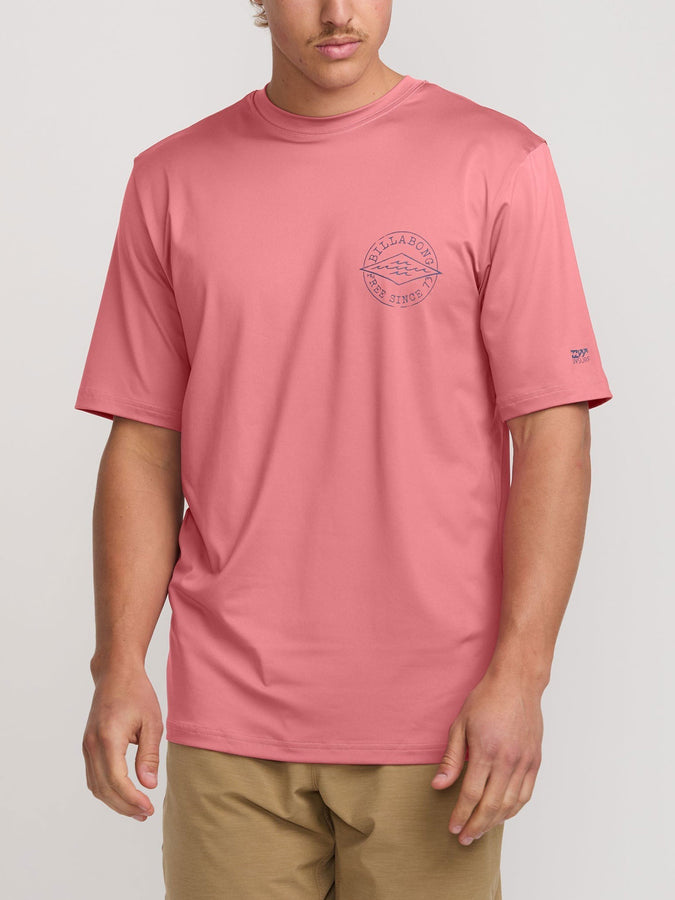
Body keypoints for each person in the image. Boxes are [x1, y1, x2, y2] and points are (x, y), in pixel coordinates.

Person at [75, 1, 613, 897]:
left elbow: (552, 428)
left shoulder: (497, 162)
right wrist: (118, 663)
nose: (337, 13)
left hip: (438, 719)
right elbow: (143, 441)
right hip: (229, 708)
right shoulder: (172, 179)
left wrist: (522, 674)